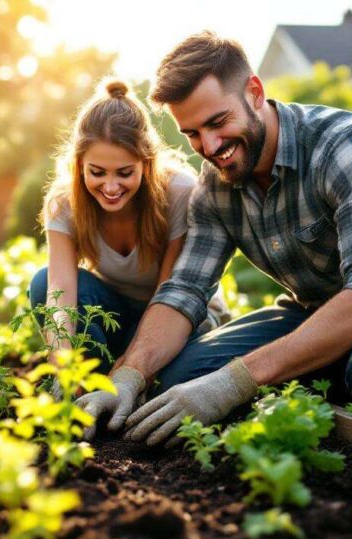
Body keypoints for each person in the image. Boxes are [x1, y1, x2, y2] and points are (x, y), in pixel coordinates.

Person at [76, 32, 352, 445]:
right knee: (175, 379)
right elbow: (184, 290)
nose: (211, 146)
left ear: (254, 92)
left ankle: (333, 368)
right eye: (193, 134)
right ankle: (319, 362)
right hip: (316, 311)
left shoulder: (348, 147)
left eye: (218, 122)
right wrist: (128, 377)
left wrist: (234, 383)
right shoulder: (217, 186)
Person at [29, 78, 228, 378]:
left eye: (124, 173)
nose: (110, 187)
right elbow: (60, 291)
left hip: (173, 314)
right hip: (117, 311)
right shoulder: (63, 203)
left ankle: (124, 379)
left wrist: (133, 366)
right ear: (80, 164)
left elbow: (169, 292)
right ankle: (88, 385)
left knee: (166, 379)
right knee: (43, 284)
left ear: (146, 164)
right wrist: (62, 363)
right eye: (97, 172)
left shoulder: (178, 193)